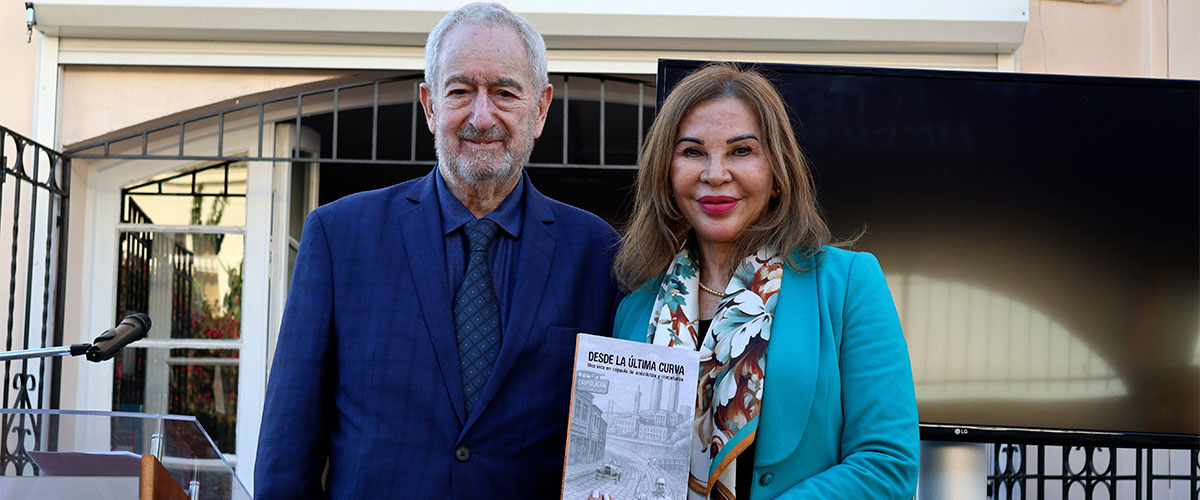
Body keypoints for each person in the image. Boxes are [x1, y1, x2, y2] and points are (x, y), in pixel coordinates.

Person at [255, 4, 621, 499]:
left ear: (540, 109)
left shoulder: (598, 255)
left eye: (505, 93)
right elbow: (286, 451)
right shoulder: (339, 237)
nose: (481, 115)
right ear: (430, 106)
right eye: (460, 91)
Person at [611, 63, 918, 499]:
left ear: (777, 173)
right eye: (693, 152)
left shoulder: (848, 284)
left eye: (741, 151)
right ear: (667, 173)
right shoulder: (635, 308)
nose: (715, 174)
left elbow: (889, 466)